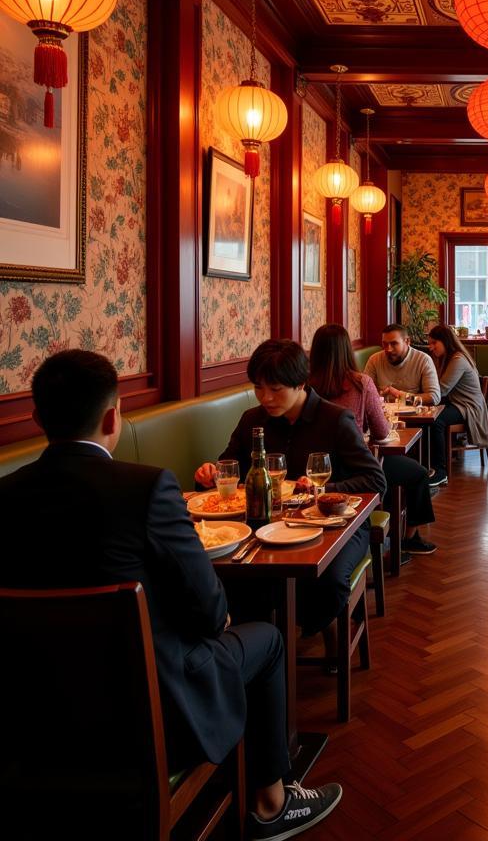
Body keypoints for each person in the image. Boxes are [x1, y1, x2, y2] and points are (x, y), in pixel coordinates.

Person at [0, 350, 342, 840]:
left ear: (36, 419)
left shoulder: (5, 497)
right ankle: (271, 802)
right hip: (152, 713)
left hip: (35, 721)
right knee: (266, 639)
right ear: (114, 417)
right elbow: (209, 612)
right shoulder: (146, 488)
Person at [195, 340, 386, 662]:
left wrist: (323, 490)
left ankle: (314, 632)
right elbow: (230, 467)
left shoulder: (335, 419)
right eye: (258, 388)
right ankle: (261, 650)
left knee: (326, 580)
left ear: (301, 382)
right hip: (266, 527)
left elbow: (375, 480)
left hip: (336, 527)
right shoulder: (252, 420)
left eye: (276, 388)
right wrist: (210, 474)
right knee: (234, 577)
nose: (265, 398)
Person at [309, 324, 437, 556]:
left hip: (311, 473)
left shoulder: (304, 386)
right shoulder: (360, 383)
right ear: (347, 350)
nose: (387, 349)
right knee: (418, 474)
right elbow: (380, 432)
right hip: (355, 472)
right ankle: (409, 539)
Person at [425, 324, 488, 487]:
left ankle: (440, 472)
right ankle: (428, 464)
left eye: (434, 343)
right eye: (430, 343)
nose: (430, 347)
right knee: (428, 416)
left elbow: (441, 390)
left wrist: (417, 396)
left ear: (445, 341)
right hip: (458, 403)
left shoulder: (457, 359)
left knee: (435, 421)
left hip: (469, 407)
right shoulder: (448, 358)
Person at [364, 323, 440, 405]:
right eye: (385, 344)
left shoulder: (423, 360)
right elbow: (364, 392)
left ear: (407, 341)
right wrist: (379, 396)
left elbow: (434, 397)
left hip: (413, 414)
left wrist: (401, 396)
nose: (388, 349)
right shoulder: (374, 360)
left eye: (394, 343)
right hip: (383, 414)